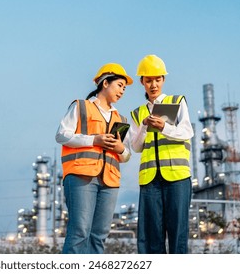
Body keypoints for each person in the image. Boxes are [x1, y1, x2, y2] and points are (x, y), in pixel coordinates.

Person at [55, 63, 133, 254]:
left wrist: (120, 148)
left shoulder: (121, 120)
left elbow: (126, 155)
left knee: (99, 236)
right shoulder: (81, 107)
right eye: (120, 85)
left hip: (110, 182)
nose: (122, 90)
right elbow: (61, 135)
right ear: (105, 83)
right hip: (82, 176)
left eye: (124, 87)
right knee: (80, 232)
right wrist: (94, 140)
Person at [129, 55, 194, 254]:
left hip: (177, 177)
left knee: (177, 232)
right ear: (142, 82)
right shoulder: (138, 113)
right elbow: (136, 147)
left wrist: (164, 126)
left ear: (163, 80)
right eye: (149, 80)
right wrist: (144, 128)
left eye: (157, 79)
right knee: (151, 236)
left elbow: (187, 132)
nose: (153, 84)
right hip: (150, 181)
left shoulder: (177, 102)